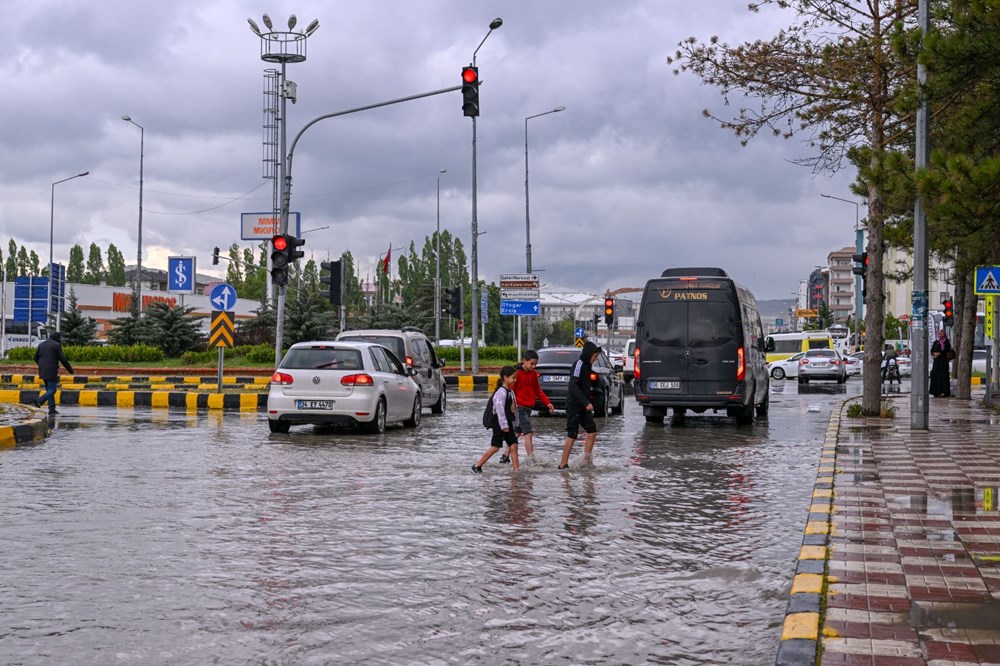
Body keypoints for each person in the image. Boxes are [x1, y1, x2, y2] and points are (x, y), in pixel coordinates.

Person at [499, 350, 554, 464]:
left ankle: (505, 456)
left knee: (516, 433)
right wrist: (511, 406)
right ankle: (531, 459)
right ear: (524, 361)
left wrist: (547, 403)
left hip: (527, 408)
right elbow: (511, 390)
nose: (533, 366)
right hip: (519, 408)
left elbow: (538, 391)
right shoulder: (517, 374)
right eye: (531, 363)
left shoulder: (533, 374)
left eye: (535, 364)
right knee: (528, 433)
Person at [558, 340, 601, 470]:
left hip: (583, 405)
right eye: (594, 356)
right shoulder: (579, 364)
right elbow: (573, 385)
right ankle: (562, 464)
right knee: (572, 434)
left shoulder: (588, 366)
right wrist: (585, 402)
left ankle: (585, 461)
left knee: (592, 431)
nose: (595, 359)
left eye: (596, 357)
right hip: (574, 405)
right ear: (588, 354)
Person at [472, 366, 522, 473]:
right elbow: (499, 410)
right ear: (505, 377)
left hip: (507, 424)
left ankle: (516, 470)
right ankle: (477, 465)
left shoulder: (511, 392)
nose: (515, 380)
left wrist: (516, 423)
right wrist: (504, 426)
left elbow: (514, 409)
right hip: (499, 424)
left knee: (513, 446)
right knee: (495, 447)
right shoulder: (501, 392)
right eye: (513, 378)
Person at [34, 331, 74, 414]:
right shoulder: (56, 345)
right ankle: (40, 400)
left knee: (49, 389)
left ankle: (51, 409)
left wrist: (41, 365)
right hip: (51, 369)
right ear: (57, 338)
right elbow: (63, 359)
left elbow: (35, 357)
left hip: (42, 369)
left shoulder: (41, 344)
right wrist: (70, 369)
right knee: (52, 389)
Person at [929, 329, 952, 397]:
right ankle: (936, 392)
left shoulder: (946, 342)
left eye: (942, 334)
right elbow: (932, 350)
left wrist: (940, 353)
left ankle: (944, 392)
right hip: (936, 362)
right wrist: (934, 354)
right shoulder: (936, 342)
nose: (941, 335)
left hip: (943, 362)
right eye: (940, 334)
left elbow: (947, 350)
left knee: (943, 377)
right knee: (935, 375)